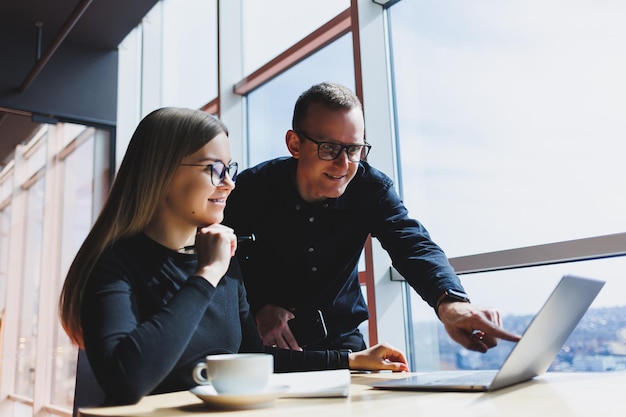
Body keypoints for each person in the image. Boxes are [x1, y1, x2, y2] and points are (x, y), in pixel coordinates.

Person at [58, 107, 408, 406]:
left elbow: (254, 358)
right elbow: (126, 380)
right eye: (214, 169)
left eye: (230, 168)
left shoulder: (225, 263)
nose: (229, 183)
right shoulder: (115, 266)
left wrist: (352, 360)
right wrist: (206, 274)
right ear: (162, 172)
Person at [223, 82, 521, 353]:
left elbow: (412, 245)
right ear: (295, 144)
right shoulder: (249, 190)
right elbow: (220, 263)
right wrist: (257, 306)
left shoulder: (370, 188)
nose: (344, 164)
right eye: (329, 148)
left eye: (354, 149)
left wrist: (452, 305)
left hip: (342, 340)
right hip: (263, 341)